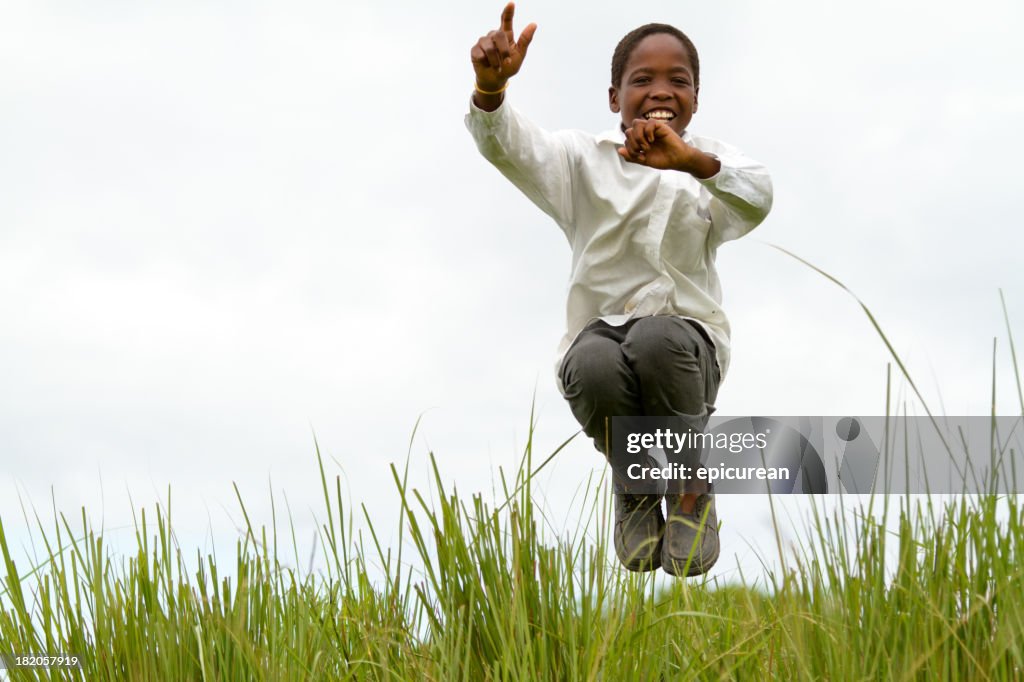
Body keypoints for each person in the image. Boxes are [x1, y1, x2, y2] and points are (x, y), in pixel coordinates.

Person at [465, 3, 772, 576]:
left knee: (655, 338)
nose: (661, 90)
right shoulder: (581, 161)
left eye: (678, 81)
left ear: (696, 98)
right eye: (643, 80)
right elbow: (510, 146)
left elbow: (758, 197)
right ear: (614, 97)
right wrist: (490, 90)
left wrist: (691, 163)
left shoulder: (709, 164)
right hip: (598, 348)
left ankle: (689, 489)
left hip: (684, 353)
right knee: (597, 359)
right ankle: (633, 483)